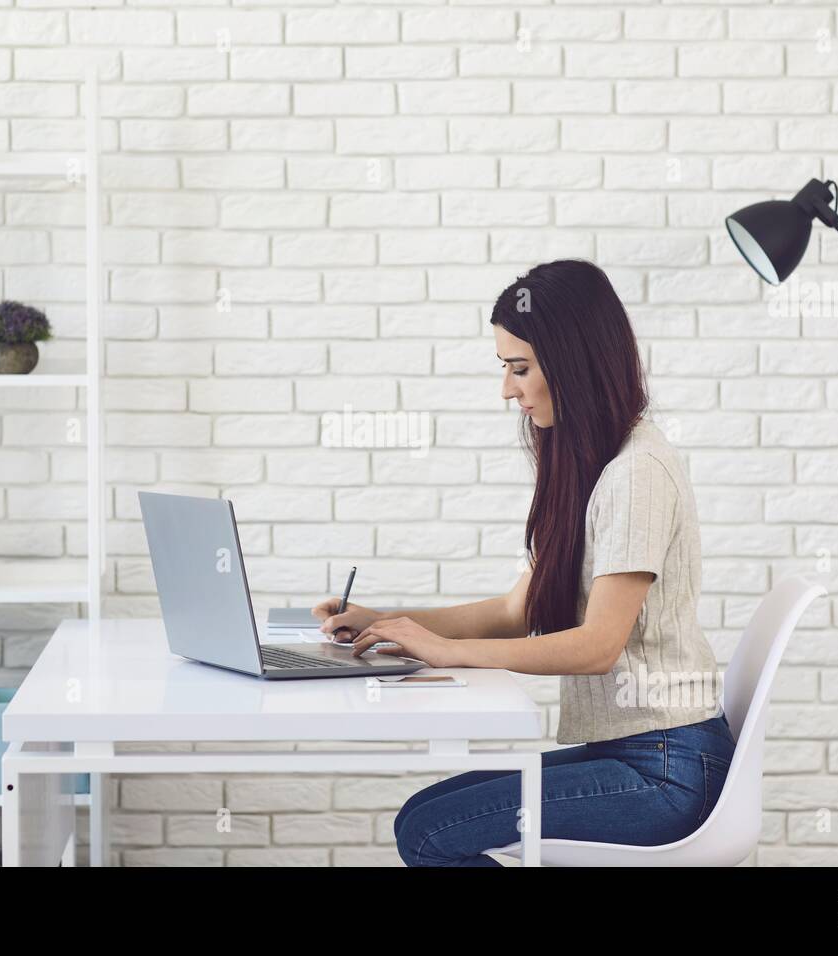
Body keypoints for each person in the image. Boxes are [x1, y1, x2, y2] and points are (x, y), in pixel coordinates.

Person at [313, 259, 736, 867]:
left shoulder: (635, 474)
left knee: (431, 833)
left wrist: (449, 652)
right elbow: (518, 611)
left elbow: (598, 646)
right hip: (636, 751)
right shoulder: (592, 465)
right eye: (505, 368)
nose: (507, 390)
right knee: (420, 817)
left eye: (520, 368)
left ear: (572, 362)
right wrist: (384, 621)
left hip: (669, 769)